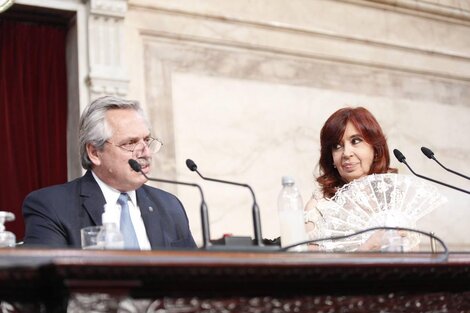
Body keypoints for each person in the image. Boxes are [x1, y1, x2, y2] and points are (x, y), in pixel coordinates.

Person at [22, 96, 196, 249]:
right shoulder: (52, 206)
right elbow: (47, 282)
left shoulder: (170, 206)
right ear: (95, 152)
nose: (146, 153)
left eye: (146, 140)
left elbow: (192, 278)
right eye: (130, 143)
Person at [304, 106, 398, 251]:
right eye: (337, 146)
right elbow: (312, 270)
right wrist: (366, 248)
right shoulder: (318, 208)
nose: (346, 153)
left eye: (355, 141)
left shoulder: (394, 200)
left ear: (376, 149)